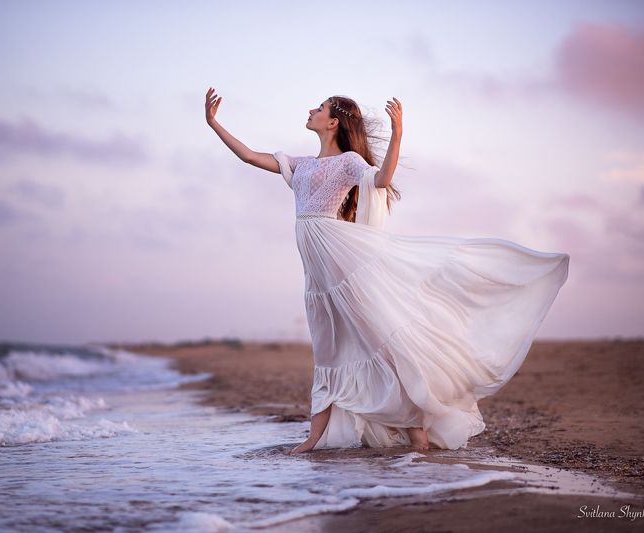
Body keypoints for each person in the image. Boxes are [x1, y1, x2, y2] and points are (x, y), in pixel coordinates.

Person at [204, 87, 570, 455]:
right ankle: (315, 437)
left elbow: (380, 181)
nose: (311, 110)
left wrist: (398, 134)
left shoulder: (348, 162)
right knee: (328, 352)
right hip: (319, 278)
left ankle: (416, 431)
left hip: (345, 264)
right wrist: (213, 123)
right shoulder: (301, 164)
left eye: (320, 108)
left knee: (380, 342)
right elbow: (249, 156)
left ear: (333, 122)